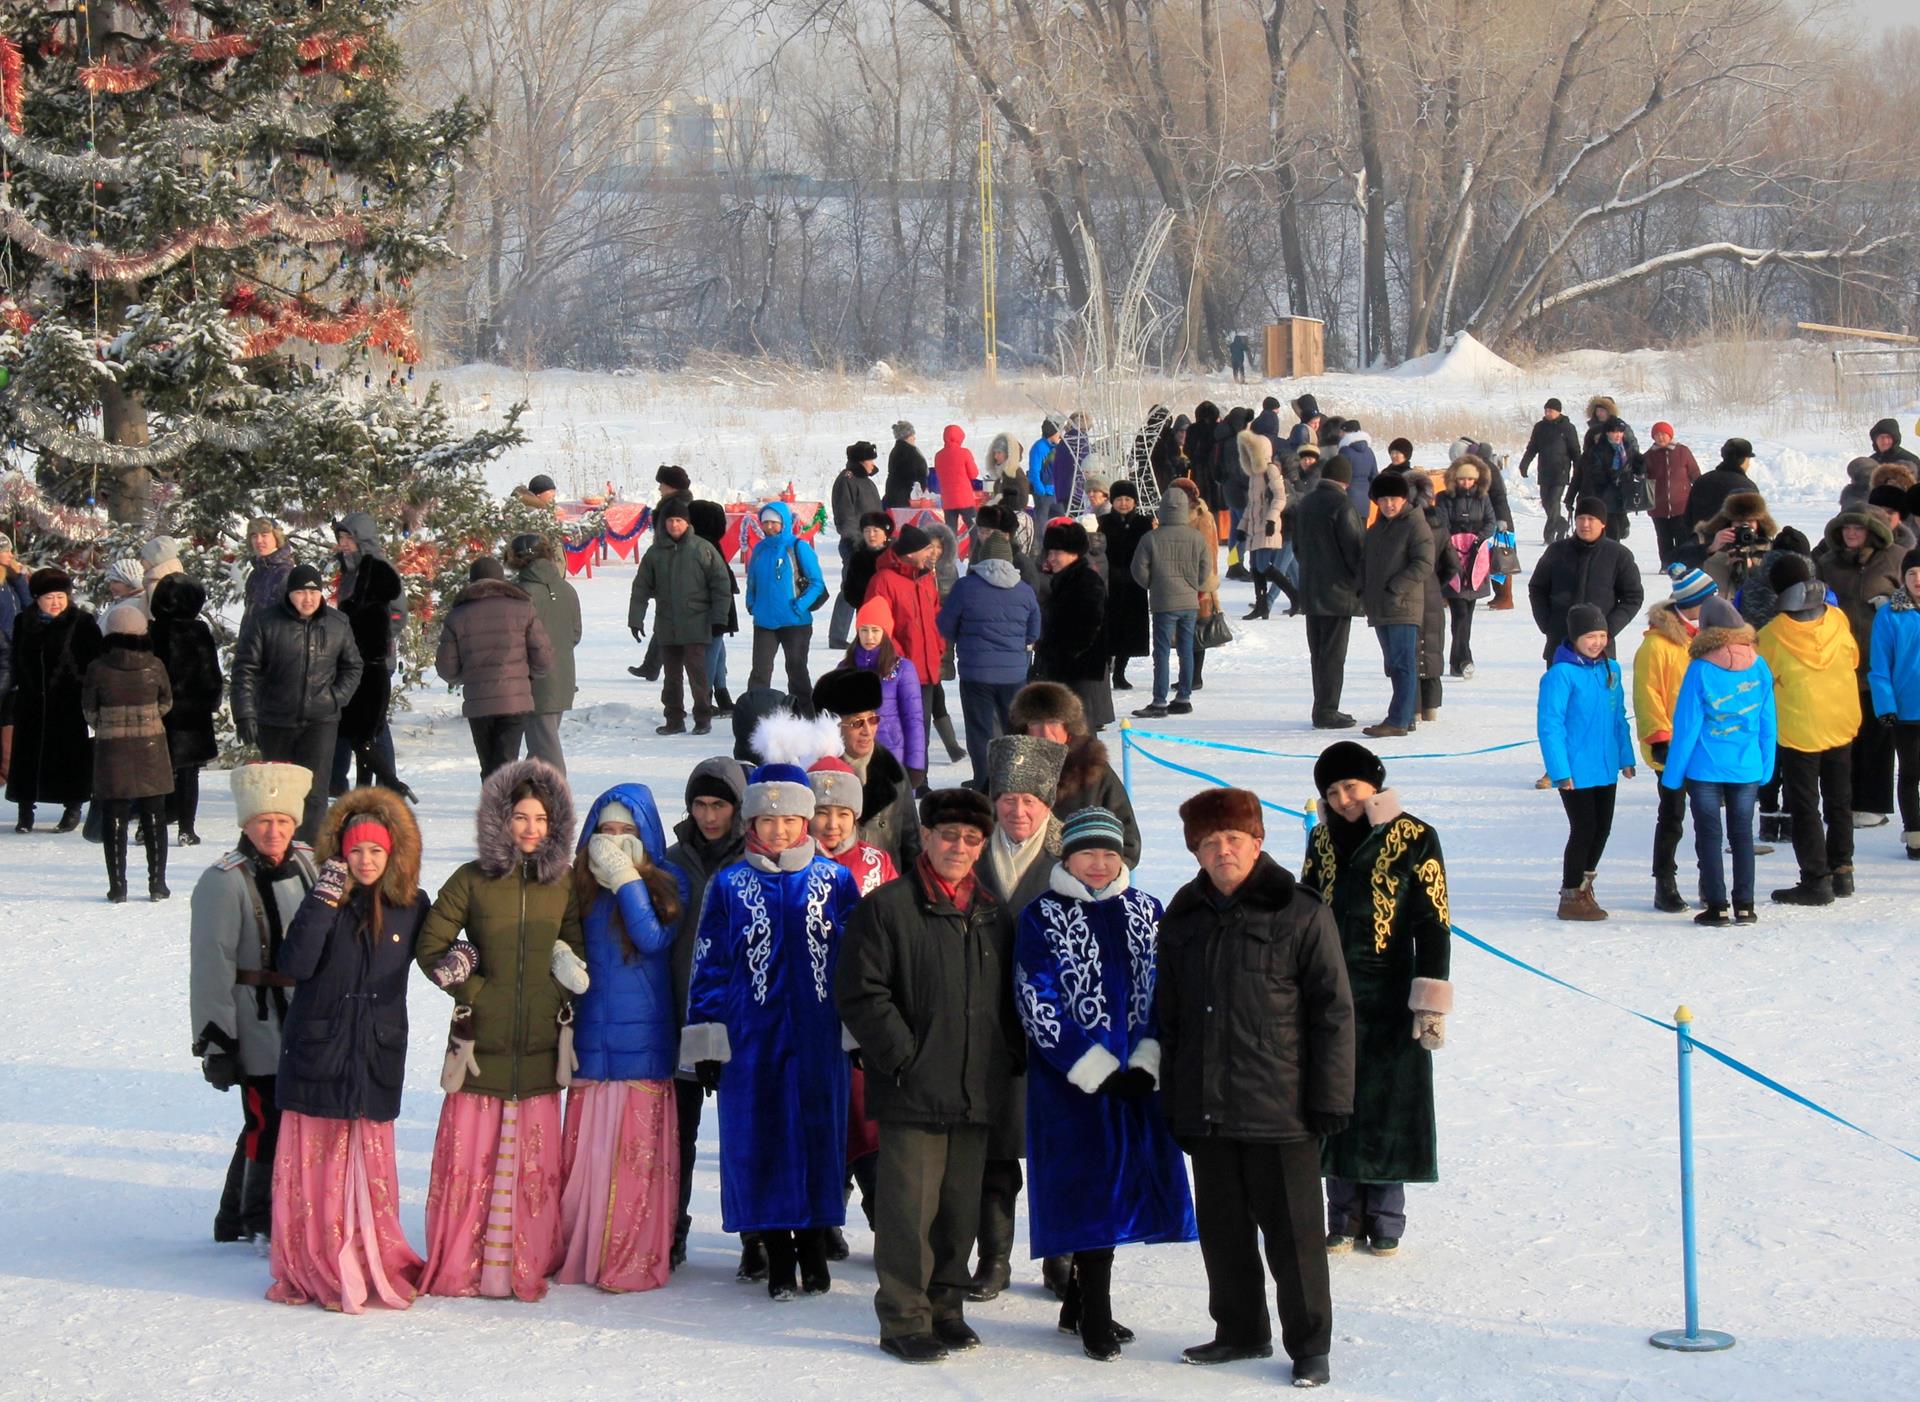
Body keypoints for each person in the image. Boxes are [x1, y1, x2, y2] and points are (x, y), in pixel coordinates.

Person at [1156, 786, 1353, 1389]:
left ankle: (1309, 1345)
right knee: (1224, 1233)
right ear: (1195, 851)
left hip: (1283, 1107)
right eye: (1209, 843)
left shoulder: (1301, 912)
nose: (1222, 852)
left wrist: (1331, 1098)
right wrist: (1175, 1097)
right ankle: (1240, 1329)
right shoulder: (1183, 916)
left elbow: (1334, 1012)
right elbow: (1170, 1015)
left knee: (1295, 1238)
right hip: (1207, 1107)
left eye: (1233, 840)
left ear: (1258, 841)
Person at [682, 714, 863, 1301]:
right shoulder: (730, 884)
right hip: (750, 1041)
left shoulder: (835, 881)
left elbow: (860, 965)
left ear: (806, 820)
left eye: (791, 819)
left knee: (818, 1137)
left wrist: (859, 1034)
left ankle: (814, 1245)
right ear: (752, 822)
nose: (780, 830)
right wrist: (707, 1043)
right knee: (760, 1142)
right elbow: (708, 965)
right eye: (768, 819)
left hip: (819, 1036)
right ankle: (776, 1251)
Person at [836, 786, 1015, 1363]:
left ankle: (946, 1307)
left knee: (959, 1209)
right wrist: (903, 1057)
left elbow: (1012, 997)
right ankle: (904, 1318)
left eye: (970, 839)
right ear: (929, 838)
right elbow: (861, 992)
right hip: (913, 1087)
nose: (958, 847)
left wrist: (1004, 1056)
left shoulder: (993, 914)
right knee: (908, 1213)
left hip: (974, 1086)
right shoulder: (887, 908)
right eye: (948, 836)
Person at [1013, 806, 1197, 1361]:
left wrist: (1147, 1059)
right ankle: (1097, 1311)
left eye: (1110, 853)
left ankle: (1077, 1306)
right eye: (1088, 853)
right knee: (1089, 1194)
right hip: (1069, 1085)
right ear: (1066, 856)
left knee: (1125, 1191)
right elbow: (1034, 998)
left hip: (1138, 1081)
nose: (1099, 864)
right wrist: (1090, 1066)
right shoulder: (1040, 915)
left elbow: (1168, 992)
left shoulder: (1147, 911)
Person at [416, 757, 585, 1301]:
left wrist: (556, 992)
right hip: (479, 1048)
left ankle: (522, 1263)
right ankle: (464, 1265)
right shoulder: (471, 879)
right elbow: (430, 946)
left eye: (540, 819)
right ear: (501, 820)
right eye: (520, 817)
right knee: (472, 1163)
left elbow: (578, 955)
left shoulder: (563, 885)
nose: (531, 828)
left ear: (555, 825)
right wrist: (474, 991)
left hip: (538, 1049)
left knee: (530, 1168)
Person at [267, 786, 429, 1312]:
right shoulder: (323, 897)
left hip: (375, 1051)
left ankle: (367, 1259)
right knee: (317, 1168)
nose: (365, 861)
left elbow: (437, 954)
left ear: (392, 854)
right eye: (356, 850)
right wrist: (325, 895)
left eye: (376, 851)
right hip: (320, 1049)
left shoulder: (411, 905)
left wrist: (466, 961)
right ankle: (316, 1264)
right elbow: (296, 963)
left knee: (365, 1165)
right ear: (340, 851)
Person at [1299, 742, 1451, 1257]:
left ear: (1375, 784)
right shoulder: (1320, 839)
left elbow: (1434, 923)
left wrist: (1430, 1001)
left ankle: (1386, 1218)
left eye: (1352, 787)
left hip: (1391, 992)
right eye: (1334, 791)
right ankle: (1341, 1215)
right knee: (1334, 1100)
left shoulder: (1414, 836)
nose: (1344, 800)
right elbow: (1304, 908)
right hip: (1327, 989)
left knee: (1388, 1104)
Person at [557, 783, 685, 1295]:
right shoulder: (576, 885)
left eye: (626, 832)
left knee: (636, 1165)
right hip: (590, 1041)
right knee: (584, 1162)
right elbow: (559, 937)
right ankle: (579, 1250)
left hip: (645, 1046)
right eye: (604, 832)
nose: (613, 842)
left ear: (646, 835)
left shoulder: (668, 881)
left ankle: (631, 1253)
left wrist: (628, 881)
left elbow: (654, 938)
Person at [189, 761, 319, 1242]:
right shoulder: (223, 881)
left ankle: (235, 1216)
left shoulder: (309, 863)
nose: (274, 830)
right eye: (264, 821)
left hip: (304, 1016)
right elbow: (210, 966)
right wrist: (216, 1041)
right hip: (256, 1020)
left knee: (280, 1117)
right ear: (245, 823)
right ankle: (253, 1219)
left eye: (283, 821)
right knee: (265, 1118)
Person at [967, 733, 1067, 1302]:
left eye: (1030, 799)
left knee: (1055, 1149)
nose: (1018, 810)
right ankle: (994, 1260)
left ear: (1048, 804)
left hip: (1051, 1036)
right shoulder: (972, 856)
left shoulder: (1066, 862)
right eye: (1007, 798)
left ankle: (1061, 1256)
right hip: (985, 1027)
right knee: (995, 1153)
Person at [662, 756, 750, 1272]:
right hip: (683, 1013)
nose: (709, 815)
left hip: (740, 1021)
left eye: (719, 804)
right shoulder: (673, 861)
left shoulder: (751, 861)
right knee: (679, 1136)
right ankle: (672, 1228)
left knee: (742, 1135)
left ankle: (756, 1235)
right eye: (700, 804)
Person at [1660, 598, 1776, 926]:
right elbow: (1768, 723)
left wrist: (1672, 776)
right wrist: (1766, 766)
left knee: (1709, 835)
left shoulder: (1700, 668)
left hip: (1705, 766)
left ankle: (1717, 906)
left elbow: (1686, 726)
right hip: (1747, 765)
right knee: (1742, 835)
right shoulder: (1760, 665)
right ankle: (1746, 905)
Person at [231, 563, 362, 843]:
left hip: (320, 721)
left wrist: (335, 698)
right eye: (301, 592)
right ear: (289, 594)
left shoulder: (337, 623)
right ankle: (277, 849)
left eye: (314, 592)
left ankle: (308, 853)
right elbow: (245, 670)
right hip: (275, 721)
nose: (308, 598)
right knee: (276, 792)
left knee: (314, 793)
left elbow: (353, 666)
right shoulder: (265, 622)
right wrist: (245, 713)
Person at [1757, 554, 1860, 905]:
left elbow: (1762, 681)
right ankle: (1842, 870)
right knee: (1840, 800)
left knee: (1805, 805)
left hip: (1799, 728)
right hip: (1841, 720)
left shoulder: (1771, 635)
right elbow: (1854, 659)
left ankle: (1816, 880)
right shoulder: (1838, 619)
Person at [1538, 605, 1637, 920]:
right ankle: (1570, 896)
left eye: (1602, 635)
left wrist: (1626, 756)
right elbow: (1550, 725)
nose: (1597, 642)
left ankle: (1585, 883)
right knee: (1584, 828)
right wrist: (1559, 770)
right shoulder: (1560, 675)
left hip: (1606, 765)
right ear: (1575, 637)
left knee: (1602, 829)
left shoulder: (1611, 669)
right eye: (1590, 637)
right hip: (1576, 768)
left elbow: (1618, 717)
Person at [1634, 564, 1718, 912]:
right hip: (1673, 744)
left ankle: (1708, 878)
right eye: (1709, 597)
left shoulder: (1714, 635)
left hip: (1709, 742)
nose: (1716, 601)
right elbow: (1647, 694)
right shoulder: (1659, 646)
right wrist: (1660, 738)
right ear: (1693, 602)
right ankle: (1664, 881)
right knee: (1672, 816)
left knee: (1707, 817)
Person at [1815, 508, 1903, 833]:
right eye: (1846, 529)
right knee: (1842, 737)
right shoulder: (1828, 562)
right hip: (1838, 664)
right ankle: (1845, 801)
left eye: (1858, 529)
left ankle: (1874, 804)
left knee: (1878, 736)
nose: (1851, 534)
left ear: (1873, 532)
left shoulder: (1895, 558)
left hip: (1882, 664)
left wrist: (1894, 601)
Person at [82, 606, 173, 903]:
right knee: (154, 816)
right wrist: (147, 719)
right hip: (151, 748)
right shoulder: (155, 665)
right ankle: (157, 884)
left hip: (112, 749)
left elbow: (89, 711)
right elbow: (166, 702)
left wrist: (109, 723)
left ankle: (118, 886)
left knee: (114, 815)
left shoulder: (98, 667)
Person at [435, 557, 555, 776]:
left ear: (472, 582)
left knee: (489, 766)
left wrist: (465, 677)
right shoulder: (523, 609)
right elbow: (544, 658)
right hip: (515, 699)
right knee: (506, 764)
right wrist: (526, 678)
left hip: (478, 701)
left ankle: (495, 806)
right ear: (502, 580)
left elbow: (446, 668)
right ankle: (502, 806)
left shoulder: (458, 616)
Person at [939, 533, 1041, 788]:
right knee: (1015, 729)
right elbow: (1034, 631)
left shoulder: (965, 587)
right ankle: (1015, 781)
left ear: (981, 557)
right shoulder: (1025, 591)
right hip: (1014, 673)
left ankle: (985, 782)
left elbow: (945, 625)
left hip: (976, 673)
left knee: (980, 730)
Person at [7, 568, 102, 833]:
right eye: (50, 597)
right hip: (31, 703)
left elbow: (95, 662)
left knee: (71, 758)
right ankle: (25, 812)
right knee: (27, 760)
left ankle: (72, 808)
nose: (56, 602)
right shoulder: (23, 622)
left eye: (61, 596)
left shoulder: (82, 622)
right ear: (37, 598)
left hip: (70, 704)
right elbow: (15, 658)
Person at [628, 496, 732, 737]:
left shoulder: (702, 549)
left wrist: (719, 618)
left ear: (687, 523)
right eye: (670, 520)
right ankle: (674, 719)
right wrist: (636, 618)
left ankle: (703, 717)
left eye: (679, 520)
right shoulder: (655, 553)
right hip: (667, 624)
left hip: (696, 623)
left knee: (698, 675)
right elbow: (641, 587)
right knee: (671, 677)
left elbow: (721, 584)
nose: (674, 525)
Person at [1009, 681, 1141, 865]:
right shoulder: (1010, 767)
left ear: (1068, 725)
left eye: (1054, 721)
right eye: (1036, 722)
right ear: (1024, 728)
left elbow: (1128, 843)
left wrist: (1100, 876)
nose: (1045, 732)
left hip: (1083, 883)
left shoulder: (1092, 768)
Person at [327, 512, 409, 801]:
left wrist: (376, 637)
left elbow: (399, 613)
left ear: (362, 538)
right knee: (346, 719)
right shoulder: (350, 571)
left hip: (374, 660)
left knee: (374, 724)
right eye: (341, 538)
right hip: (350, 659)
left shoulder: (379, 569)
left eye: (348, 537)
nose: (344, 543)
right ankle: (336, 781)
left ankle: (388, 784)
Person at [812, 668, 923, 873]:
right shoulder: (813, 775)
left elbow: (911, 844)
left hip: (883, 891)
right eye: (857, 723)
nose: (867, 731)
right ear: (833, 726)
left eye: (873, 720)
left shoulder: (893, 773)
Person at [147, 573, 222, 847]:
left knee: (157, 772)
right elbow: (210, 673)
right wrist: (211, 700)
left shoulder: (152, 630)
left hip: (158, 712)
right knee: (189, 773)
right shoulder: (198, 631)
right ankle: (186, 828)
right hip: (193, 714)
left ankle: (152, 825)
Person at [1128, 484, 1213, 721]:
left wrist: (1152, 584)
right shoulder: (1196, 537)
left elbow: (1138, 569)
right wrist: (1194, 584)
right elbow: (1206, 568)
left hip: (1163, 601)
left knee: (1162, 652)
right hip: (1189, 602)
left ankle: (1159, 700)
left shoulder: (1151, 538)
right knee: (1187, 650)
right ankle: (1184, 698)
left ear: (1162, 509)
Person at [1528, 496, 1644, 663]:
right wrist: (1547, 623)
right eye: (1580, 519)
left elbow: (1633, 597)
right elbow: (1537, 587)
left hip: (1600, 649)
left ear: (1603, 523)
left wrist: (1607, 629)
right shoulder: (1557, 551)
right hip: (1560, 644)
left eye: (1591, 519)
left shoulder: (1619, 555)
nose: (1585, 524)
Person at [1359, 473, 1432, 738]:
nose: (1389, 504)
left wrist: (1396, 587)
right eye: (1383, 499)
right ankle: (1404, 714)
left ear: (1404, 499)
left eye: (1394, 498)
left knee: (1403, 663)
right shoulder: (1376, 529)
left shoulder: (1414, 524)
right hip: (1380, 607)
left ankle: (1399, 719)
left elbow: (1424, 562)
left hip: (1402, 604)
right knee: (1393, 664)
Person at [1295, 456, 1364, 729]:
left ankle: (1320, 706)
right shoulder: (1342, 504)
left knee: (1319, 652)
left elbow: (1298, 548)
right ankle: (1327, 709)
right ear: (1345, 481)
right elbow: (1354, 549)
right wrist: (1358, 582)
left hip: (1311, 588)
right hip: (1338, 592)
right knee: (1334, 655)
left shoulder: (1307, 502)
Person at [863, 523, 945, 752]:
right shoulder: (883, 581)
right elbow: (877, 626)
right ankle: (902, 784)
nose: (932, 554)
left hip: (927, 670)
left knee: (922, 732)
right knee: (898, 732)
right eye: (927, 549)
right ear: (911, 553)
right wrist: (899, 660)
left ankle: (922, 782)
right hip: (897, 671)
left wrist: (939, 646)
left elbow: (937, 616)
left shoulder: (927, 578)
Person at [510, 532, 582, 773]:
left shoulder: (518, 594)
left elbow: (513, 640)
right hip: (563, 676)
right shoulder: (568, 590)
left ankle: (558, 798)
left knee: (546, 749)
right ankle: (529, 794)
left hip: (532, 680)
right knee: (540, 747)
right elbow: (575, 634)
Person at [1035, 518, 1113, 732]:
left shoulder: (1086, 579)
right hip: (1064, 670)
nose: (1051, 558)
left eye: (1057, 553)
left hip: (1080, 672)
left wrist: (1067, 654)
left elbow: (1091, 624)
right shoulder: (1063, 579)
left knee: (1080, 734)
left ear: (1074, 553)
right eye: (1049, 553)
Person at [839, 597, 926, 786]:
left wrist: (915, 765)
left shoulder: (902, 669)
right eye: (864, 630)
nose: (869, 637)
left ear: (886, 632)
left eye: (875, 630)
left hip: (892, 757)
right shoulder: (845, 668)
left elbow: (914, 720)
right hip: (853, 759)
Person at [744, 501, 827, 699]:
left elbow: (817, 583)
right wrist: (751, 603)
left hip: (796, 622)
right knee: (759, 673)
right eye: (765, 523)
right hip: (764, 621)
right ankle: (756, 715)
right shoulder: (760, 549)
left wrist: (799, 606)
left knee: (796, 672)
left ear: (784, 522)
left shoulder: (798, 547)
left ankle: (805, 716)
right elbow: (752, 581)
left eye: (774, 522)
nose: (769, 527)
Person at [1869, 549, 1920, 859]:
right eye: (1912, 574)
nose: (1917, 580)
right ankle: (1915, 834)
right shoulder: (1890, 614)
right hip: (1907, 709)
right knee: (1912, 772)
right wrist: (1885, 705)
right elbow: (1880, 664)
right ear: (1903, 578)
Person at [1405, 471, 1458, 724]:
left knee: (1410, 650)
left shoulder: (1403, 526)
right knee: (1433, 648)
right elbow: (1452, 565)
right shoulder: (1440, 526)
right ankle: (1431, 708)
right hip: (1433, 591)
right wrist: (1436, 581)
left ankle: (1413, 707)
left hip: (1407, 592)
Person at [1439, 456, 1497, 676]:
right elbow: (1441, 523)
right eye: (1462, 479)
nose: (1466, 483)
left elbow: (1491, 522)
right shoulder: (1444, 498)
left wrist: (1477, 539)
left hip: (1476, 559)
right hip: (1453, 557)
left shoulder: (1483, 498)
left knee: (1467, 612)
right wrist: (1454, 540)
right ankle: (1465, 659)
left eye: (1470, 480)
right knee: (1459, 611)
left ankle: (1457, 662)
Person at [1238, 428, 1300, 620]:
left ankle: (1294, 595)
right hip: (1255, 527)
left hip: (1267, 527)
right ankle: (1261, 606)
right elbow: (1251, 504)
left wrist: (1272, 519)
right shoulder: (1254, 476)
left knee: (1264, 566)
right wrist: (1242, 527)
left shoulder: (1270, 470)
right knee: (1256, 567)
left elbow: (1280, 496)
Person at [1099, 481, 1154, 690]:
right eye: (1119, 499)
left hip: (1135, 584)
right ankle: (1104, 672)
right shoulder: (1102, 522)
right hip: (1109, 584)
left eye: (1128, 499)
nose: (1123, 503)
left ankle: (1120, 672)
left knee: (1130, 632)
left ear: (1135, 502)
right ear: (1112, 501)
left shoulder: (1143, 523)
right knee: (1107, 630)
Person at [688, 499, 741, 715]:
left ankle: (716, 693)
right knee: (713, 652)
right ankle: (708, 696)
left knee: (716, 652)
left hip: (714, 607)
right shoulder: (705, 545)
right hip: (713, 607)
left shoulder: (701, 545)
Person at [830, 441, 884, 649]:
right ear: (861, 460)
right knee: (849, 589)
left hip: (872, 544)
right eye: (870, 460)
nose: (872, 464)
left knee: (872, 590)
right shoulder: (847, 481)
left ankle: (871, 630)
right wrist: (856, 541)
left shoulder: (867, 483)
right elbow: (845, 516)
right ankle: (837, 635)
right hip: (855, 545)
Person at [1517, 398, 1582, 543]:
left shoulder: (1568, 428)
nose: (1548, 413)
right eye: (1546, 410)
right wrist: (1524, 463)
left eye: (1550, 410)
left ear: (1558, 411)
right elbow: (1532, 447)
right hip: (1544, 471)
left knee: (1553, 502)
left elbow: (1575, 451)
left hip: (1561, 472)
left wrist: (1579, 470)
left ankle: (1549, 537)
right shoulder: (1540, 427)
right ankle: (1562, 524)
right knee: (1547, 504)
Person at [1570, 418, 1643, 542]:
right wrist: (1611, 475)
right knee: (1612, 534)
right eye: (1614, 432)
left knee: (1622, 528)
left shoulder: (1627, 448)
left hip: (1623, 496)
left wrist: (1641, 467)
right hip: (1605, 497)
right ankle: (1612, 558)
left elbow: (1636, 468)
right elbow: (1595, 474)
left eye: (1620, 432)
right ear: (1607, 433)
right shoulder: (1598, 450)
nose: (1618, 435)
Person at [1643, 422, 1701, 568]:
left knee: (1682, 536)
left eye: (1663, 434)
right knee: (1663, 538)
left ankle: (1683, 563)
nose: (1661, 438)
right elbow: (1642, 478)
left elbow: (1695, 474)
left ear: (1670, 435)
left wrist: (1700, 492)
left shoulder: (1683, 452)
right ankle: (1666, 564)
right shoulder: (1649, 455)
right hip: (1658, 505)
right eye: (1657, 435)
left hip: (1681, 504)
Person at [0, 532, 33, 787]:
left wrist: (20, 578)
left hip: (14, 663)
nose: (11, 556)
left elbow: (29, 607)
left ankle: (8, 772)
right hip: (4, 662)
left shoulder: (11, 586)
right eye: (6, 552)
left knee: (10, 717)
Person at [1683, 439, 1757, 551]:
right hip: (1733, 549)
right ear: (1743, 460)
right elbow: (1755, 522)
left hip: (1701, 547)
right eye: (1748, 459)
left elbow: (1688, 517)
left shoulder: (1703, 480)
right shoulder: (1746, 486)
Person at [241, 517, 295, 639]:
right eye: (254, 536)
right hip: (251, 647)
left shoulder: (286, 573)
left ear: (276, 537)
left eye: (264, 535)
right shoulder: (256, 573)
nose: (259, 540)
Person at [840, 511, 894, 625]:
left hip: (892, 614)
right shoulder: (858, 557)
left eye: (875, 530)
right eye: (867, 531)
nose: (871, 535)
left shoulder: (894, 557)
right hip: (866, 614)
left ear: (886, 534)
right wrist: (864, 604)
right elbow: (849, 589)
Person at [933, 425, 980, 532]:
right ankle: (975, 549)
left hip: (947, 500)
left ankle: (951, 549)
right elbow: (974, 474)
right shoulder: (964, 453)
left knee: (950, 533)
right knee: (974, 530)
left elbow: (939, 474)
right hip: (965, 499)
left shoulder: (938, 455)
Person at [1336, 420, 1378, 514]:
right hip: (1365, 499)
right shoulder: (1369, 451)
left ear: (1347, 433)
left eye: (1341, 432)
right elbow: (1374, 475)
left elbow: (1339, 475)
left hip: (1348, 497)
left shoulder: (1345, 451)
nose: (1340, 435)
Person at [884, 420, 929, 509]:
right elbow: (920, 472)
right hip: (907, 497)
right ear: (907, 437)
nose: (914, 438)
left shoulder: (897, 450)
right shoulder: (909, 452)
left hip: (896, 494)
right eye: (912, 435)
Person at [1030, 420, 1063, 524]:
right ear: (1051, 433)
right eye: (1058, 432)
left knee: (1060, 519)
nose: (1060, 435)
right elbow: (1034, 470)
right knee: (1042, 523)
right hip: (1043, 493)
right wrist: (1039, 488)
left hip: (1055, 492)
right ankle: (1041, 540)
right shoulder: (1039, 447)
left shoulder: (1056, 446)